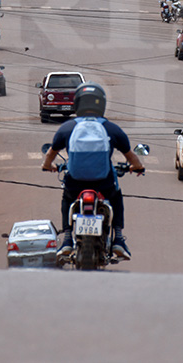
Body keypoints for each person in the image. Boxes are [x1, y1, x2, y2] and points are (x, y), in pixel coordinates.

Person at [41, 82, 144, 260]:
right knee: (116, 197)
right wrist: (138, 167)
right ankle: (118, 238)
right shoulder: (111, 128)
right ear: (101, 104)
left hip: (75, 181)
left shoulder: (67, 128)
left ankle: (67, 239)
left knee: (67, 198)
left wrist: (47, 166)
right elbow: (131, 156)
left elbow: (51, 154)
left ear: (77, 104)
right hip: (103, 182)